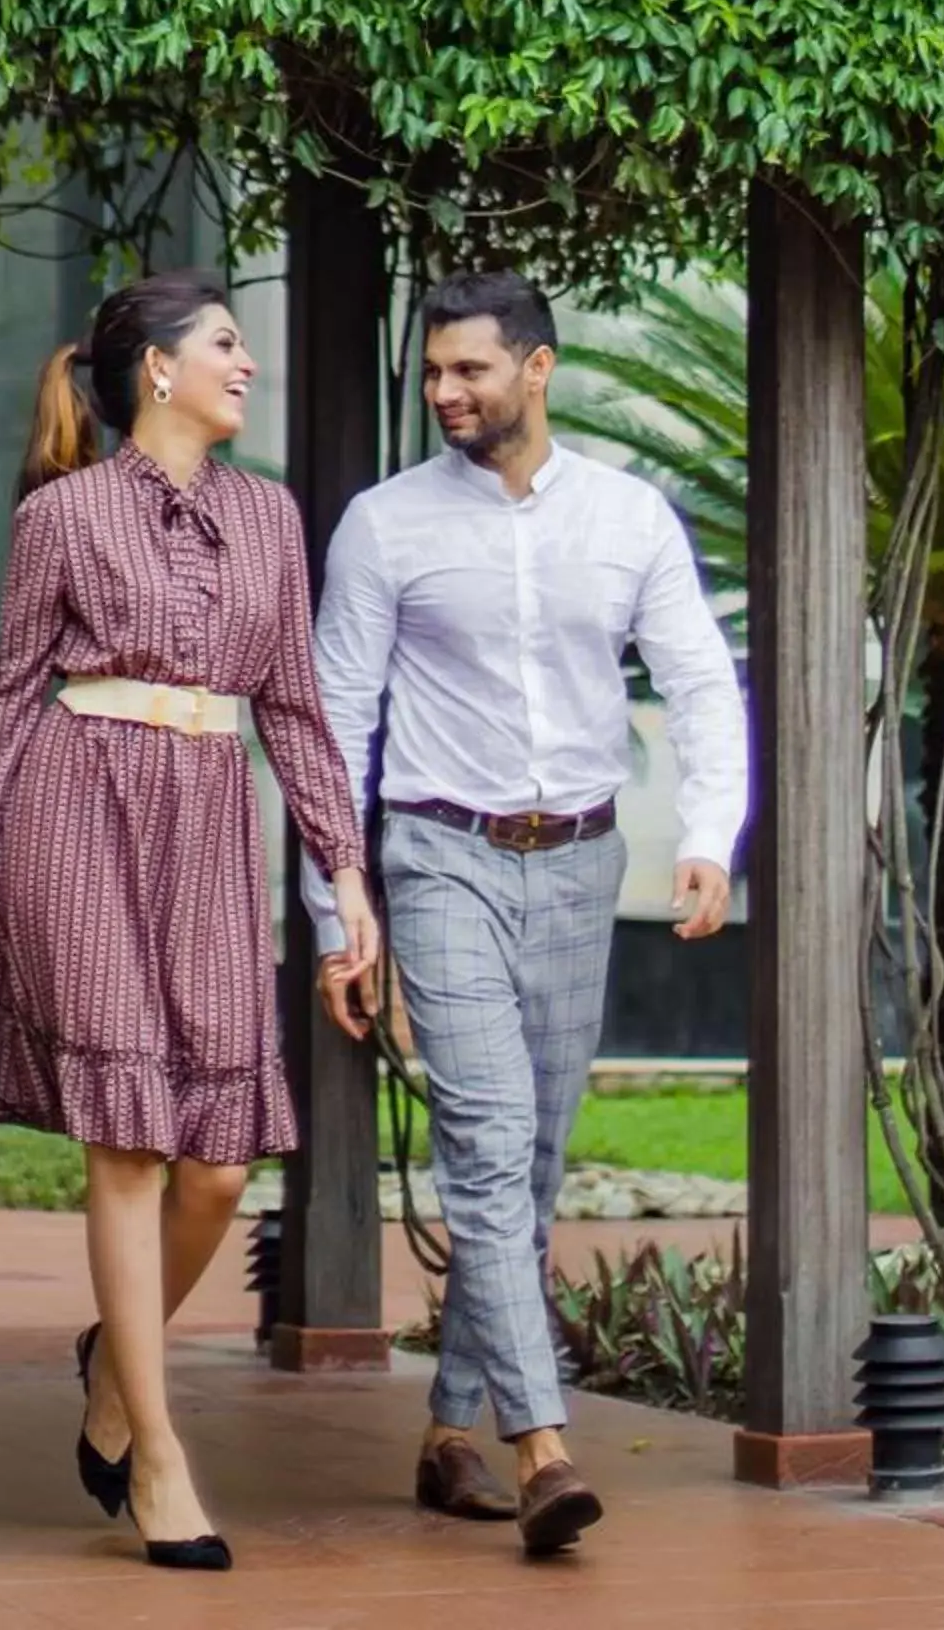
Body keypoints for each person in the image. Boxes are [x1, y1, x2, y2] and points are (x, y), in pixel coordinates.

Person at [0, 267, 380, 1574]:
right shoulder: (63, 514)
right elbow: (13, 694)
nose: (246, 364)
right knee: (126, 1142)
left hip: (209, 822)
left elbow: (292, 705)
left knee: (221, 1160)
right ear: (157, 372)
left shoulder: (276, 520)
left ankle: (117, 1372)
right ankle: (161, 1457)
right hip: (80, 814)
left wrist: (344, 872)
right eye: (224, 345)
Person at [301, 270, 745, 1557]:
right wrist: (340, 914)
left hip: (581, 867)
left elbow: (701, 684)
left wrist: (709, 837)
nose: (444, 392)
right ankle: (542, 1450)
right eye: (434, 372)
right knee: (489, 1144)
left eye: (470, 372)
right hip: (439, 856)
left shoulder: (628, 518)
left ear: (536, 370)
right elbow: (334, 725)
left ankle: (448, 1432)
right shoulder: (384, 527)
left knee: (534, 1160)